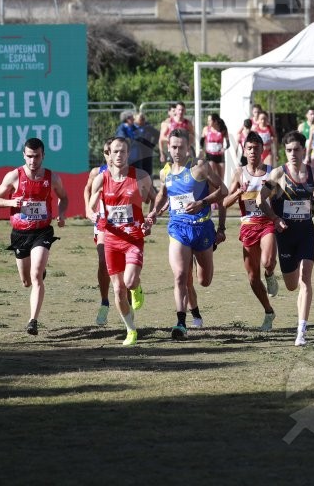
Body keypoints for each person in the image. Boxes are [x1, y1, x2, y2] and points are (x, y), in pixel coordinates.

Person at [149, 128, 228, 340]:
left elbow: (224, 192)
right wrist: (154, 213)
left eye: (180, 147)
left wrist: (202, 203)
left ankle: (194, 306)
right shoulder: (165, 172)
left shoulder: (200, 167)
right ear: (168, 147)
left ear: (188, 147)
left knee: (204, 280)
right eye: (173, 147)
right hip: (178, 228)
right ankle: (181, 323)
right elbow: (163, 195)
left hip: (202, 227)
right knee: (180, 276)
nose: (176, 151)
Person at [0, 138, 69, 335]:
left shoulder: (52, 177)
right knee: (26, 281)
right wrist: (11, 203)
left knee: (35, 276)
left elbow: (64, 197)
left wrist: (61, 213)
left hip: (42, 231)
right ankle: (37, 273)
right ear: (23, 155)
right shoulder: (14, 176)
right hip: (19, 234)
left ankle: (33, 321)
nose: (33, 161)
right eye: (29, 156)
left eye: (37, 156)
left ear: (43, 156)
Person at [88, 137, 155, 346]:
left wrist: (150, 218)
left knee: (129, 282)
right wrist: (95, 217)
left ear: (128, 154)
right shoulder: (101, 179)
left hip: (133, 238)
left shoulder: (140, 177)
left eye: (123, 152)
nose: (119, 155)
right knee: (117, 290)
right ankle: (131, 330)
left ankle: (137, 287)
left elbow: (154, 197)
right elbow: (91, 207)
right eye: (115, 151)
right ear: (109, 153)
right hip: (111, 239)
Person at [265, 131, 314, 346]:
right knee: (292, 285)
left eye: (297, 150)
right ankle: (271, 273)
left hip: (306, 232)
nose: (293, 154)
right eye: (289, 150)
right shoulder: (277, 174)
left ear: (304, 150)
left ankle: (301, 329)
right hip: (285, 234)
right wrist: (275, 219)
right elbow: (259, 199)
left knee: (305, 279)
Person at [223, 131, 281, 331]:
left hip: (267, 223)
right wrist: (239, 191)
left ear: (262, 150)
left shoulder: (271, 172)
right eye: (249, 148)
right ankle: (268, 311)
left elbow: (281, 195)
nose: (253, 152)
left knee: (268, 261)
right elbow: (224, 202)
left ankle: (271, 274)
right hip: (248, 226)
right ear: (245, 151)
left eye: (257, 148)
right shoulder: (239, 174)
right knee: (252, 277)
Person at [83, 140, 115, 325]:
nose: (109, 156)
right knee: (103, 262)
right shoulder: (97, 172)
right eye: (105, 152)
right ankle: (104, 301)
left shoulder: (130, 173)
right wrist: (88, 209)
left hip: (123, 225)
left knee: (124, 269)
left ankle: (132, 290)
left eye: (112, 151)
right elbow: (87, 190)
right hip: (102, 222)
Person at [202, 113, 230, 179]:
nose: (207, 122)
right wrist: (202, 150)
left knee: (221, 178)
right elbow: (201, 142)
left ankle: (220, 189)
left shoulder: (223, 130)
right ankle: (212, 189)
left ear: (215, 121)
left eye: (209, 120)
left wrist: (224, 148)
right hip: (209, 155)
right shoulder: (206, 129)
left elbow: (228, 144)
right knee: (211, 176)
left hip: (220, 156)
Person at [134, 112, 159, 178]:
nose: (142, 120)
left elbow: (157, 135)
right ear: (135, 119)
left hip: (147, 152)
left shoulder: (148, 127)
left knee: (147, 170)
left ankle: (149, 186)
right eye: (140, 118)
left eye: (143, 118)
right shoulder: (132, 128)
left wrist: (152, 145)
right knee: (137, 170)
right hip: (135, 153)